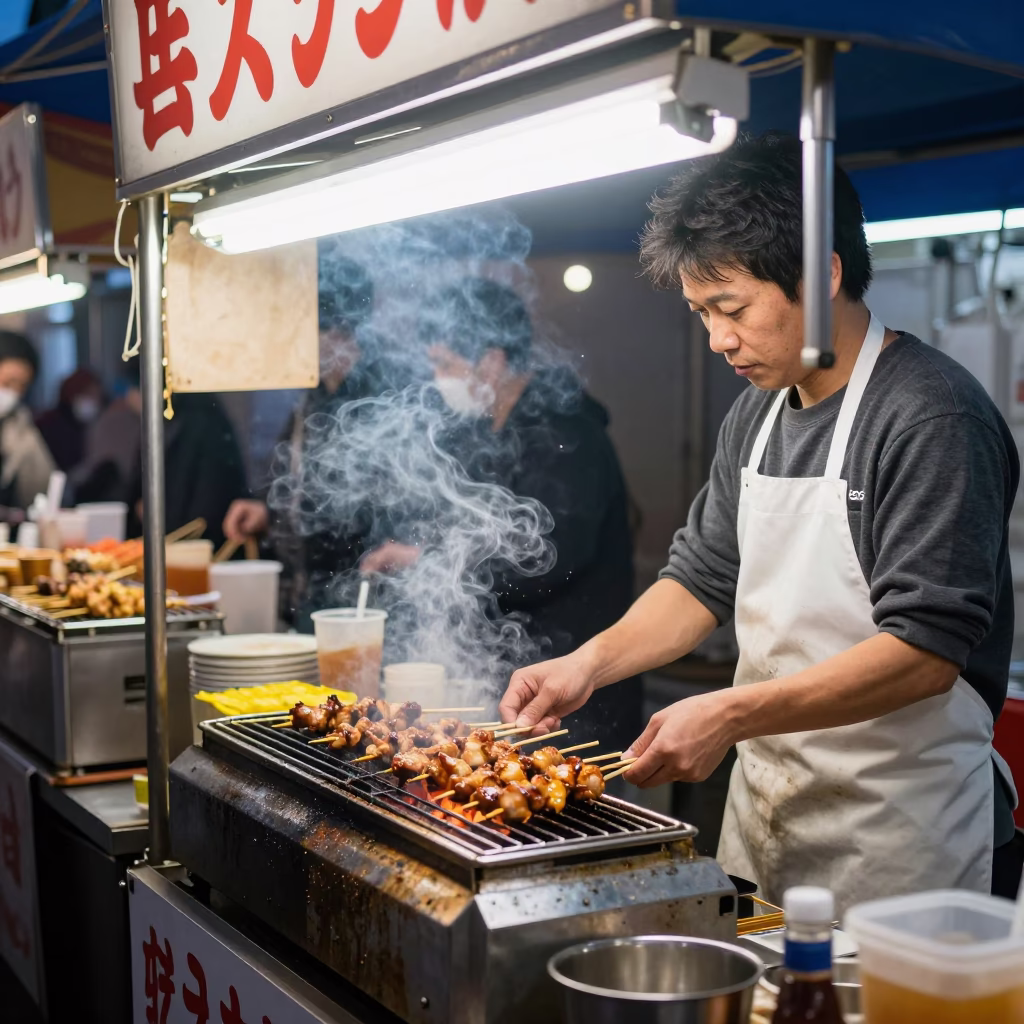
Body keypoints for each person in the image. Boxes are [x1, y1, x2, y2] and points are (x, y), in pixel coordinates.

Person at [498, 132, 1022, 911]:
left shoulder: (929, 415)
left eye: (731, 307)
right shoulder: (758, 414)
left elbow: (926, 652)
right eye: (700, 312)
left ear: (823, 276)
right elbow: (702, 580)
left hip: (903, 843)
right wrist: (590, 664)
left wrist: (729, 711)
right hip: (771, 816)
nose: (718, 339)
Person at [362, 277, 641, 756]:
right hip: (519, 685)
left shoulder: (566, 435)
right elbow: (472, 531)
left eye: (445, 364)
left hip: (575, 695)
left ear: (491, 361)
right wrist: (423, 554)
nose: (438, 379)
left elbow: (546, 560)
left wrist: (429, 562)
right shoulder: (492, 428)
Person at [223, 256, 414, 627]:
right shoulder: (312, 393)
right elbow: (294, 481)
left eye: (298, 328)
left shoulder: (380, 397)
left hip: (363, 596)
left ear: (338, 334)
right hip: (307, 590)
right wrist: (265, 510)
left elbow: (374, 509)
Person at [0, 330, 55, 520]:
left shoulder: (20, 425)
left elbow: (41, 487)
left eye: (22, 386)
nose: (13, 392)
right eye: (9, 382)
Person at [36, 368, 104, 474]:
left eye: (97, 396)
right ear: (72, 394)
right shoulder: (50, 425)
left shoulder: (85, 425)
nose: (94, 401)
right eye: (89, 394)